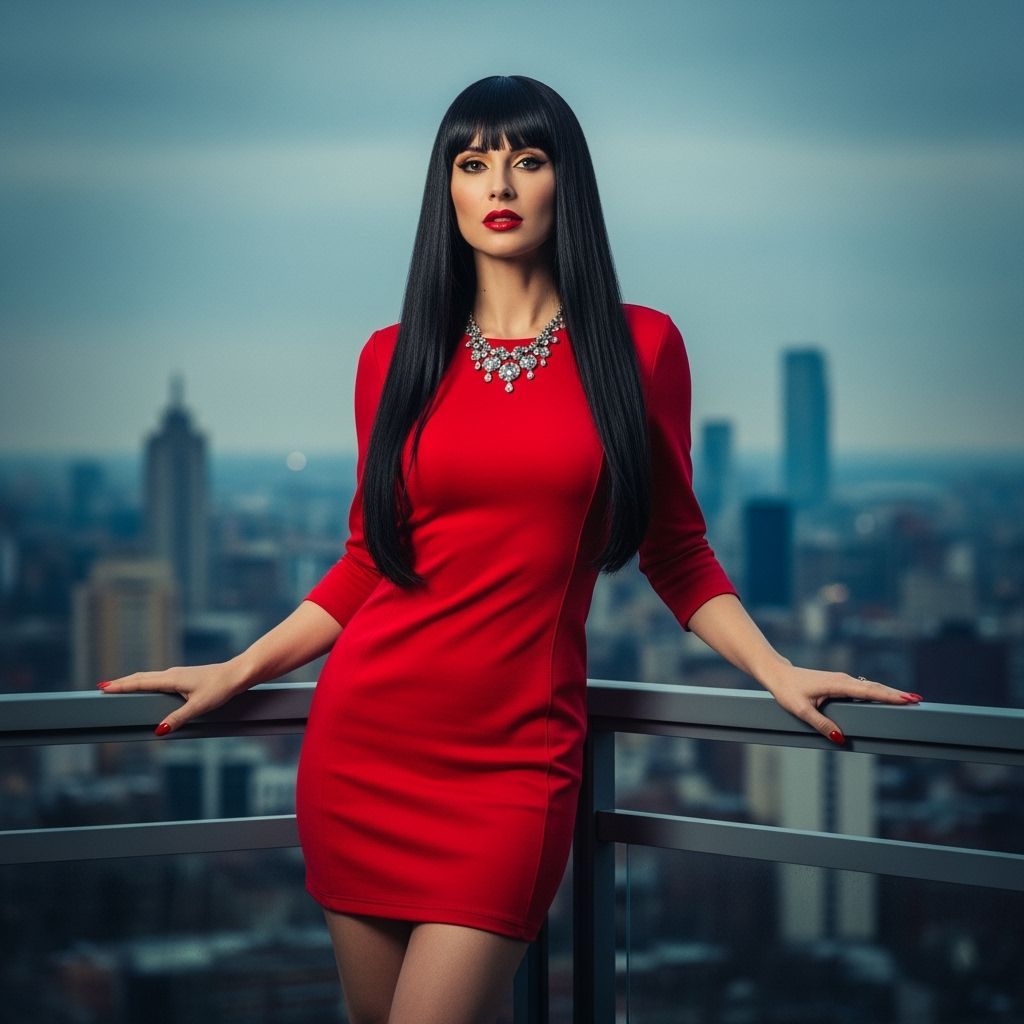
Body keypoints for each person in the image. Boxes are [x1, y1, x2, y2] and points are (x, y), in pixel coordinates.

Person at [97, 75, 923, 1024]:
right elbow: (370, 557)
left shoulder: (640, 347)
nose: (500, 183)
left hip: (512, 768)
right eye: (473, 161)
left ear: (564, 185)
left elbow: (678, 552)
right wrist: (241, 667)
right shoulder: (391, 355)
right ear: (445, 188)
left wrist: (775, 671)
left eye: (528, 160)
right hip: (364, 747)